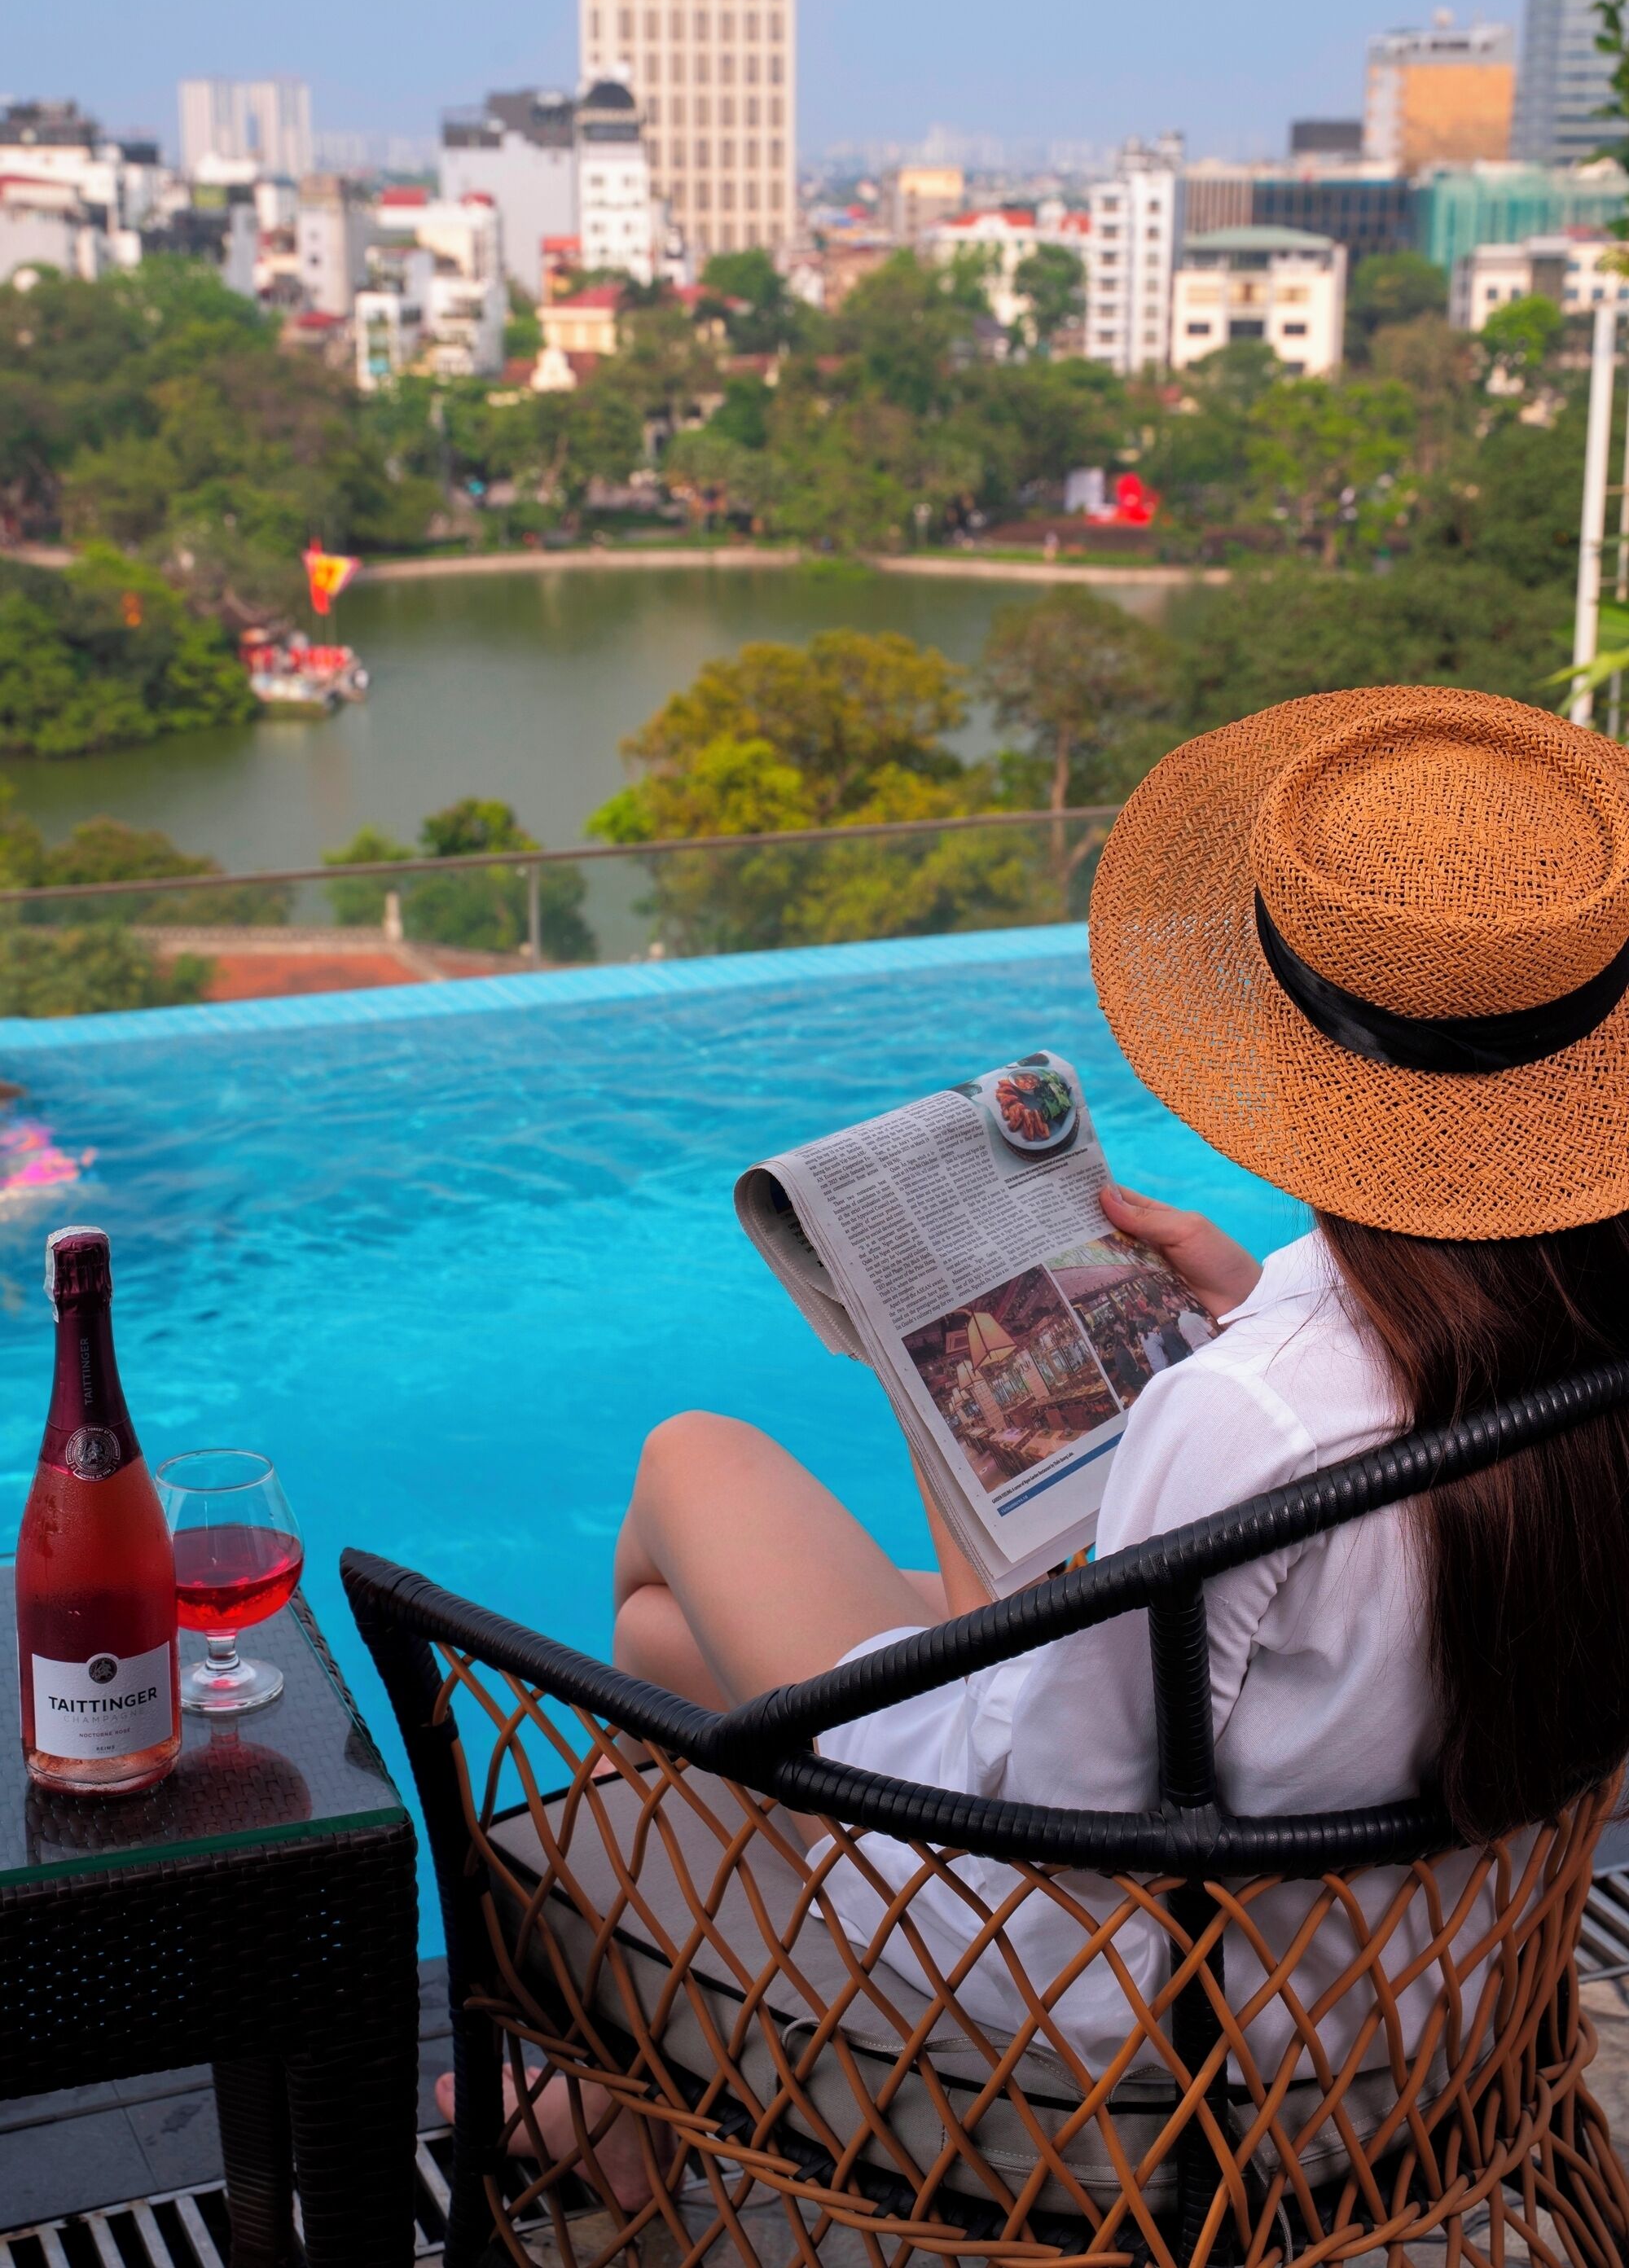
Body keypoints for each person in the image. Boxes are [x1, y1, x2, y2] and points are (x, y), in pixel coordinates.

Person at [443, 687, 1629, 2198]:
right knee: (679, 1647)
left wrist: (959, 1456)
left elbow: (1045, 1816)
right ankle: (615, 2108)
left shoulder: (1251, 1416)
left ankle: (621, 2093)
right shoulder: (1552, 1336)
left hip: (1148, 2019)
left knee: (687, 1475)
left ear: (1290, 1045)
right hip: (1443, 1965)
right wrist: (1250, 1302)